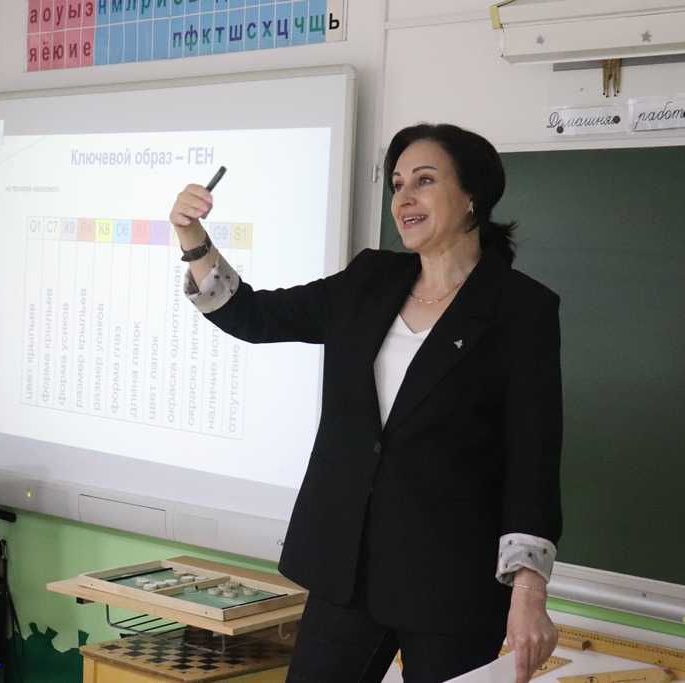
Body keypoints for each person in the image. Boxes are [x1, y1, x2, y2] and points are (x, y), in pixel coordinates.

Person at [169, 123, 562, 683]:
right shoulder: (370, 279)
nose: (404, 198)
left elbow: (534, 459)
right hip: (346, 569)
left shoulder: (519, 309)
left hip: (451, 583)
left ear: (472, 194)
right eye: (397, 184)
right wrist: (192, 238)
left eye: (424, 181)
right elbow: (251, 315)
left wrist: (529, 591)